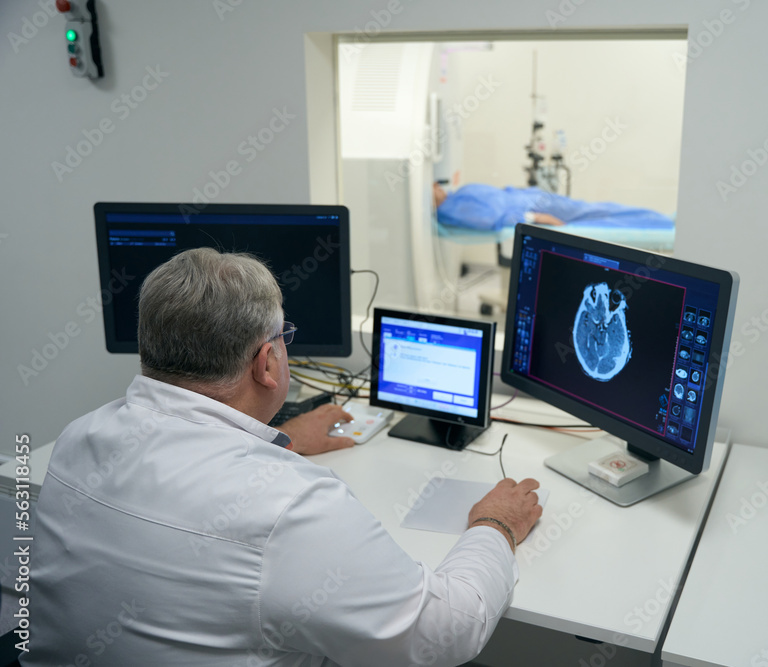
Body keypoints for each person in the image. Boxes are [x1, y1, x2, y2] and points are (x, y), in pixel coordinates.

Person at [23, 248, 542, 665]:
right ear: (267, 363)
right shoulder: (291, 506)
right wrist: (496, 523)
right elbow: (447, 633)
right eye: (283, 339)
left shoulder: (79, 437)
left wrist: (281, 436)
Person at [433, 182, 674, 232]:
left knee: (600, 209)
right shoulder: (449, 209)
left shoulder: (456, 194)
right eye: (432, 187)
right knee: (600, 217)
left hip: (533, 199)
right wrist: (533, 218)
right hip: (538, 208)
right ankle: (661, 224)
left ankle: (660, 219)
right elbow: (491, 218)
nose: (436, 185)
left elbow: (496, 198)